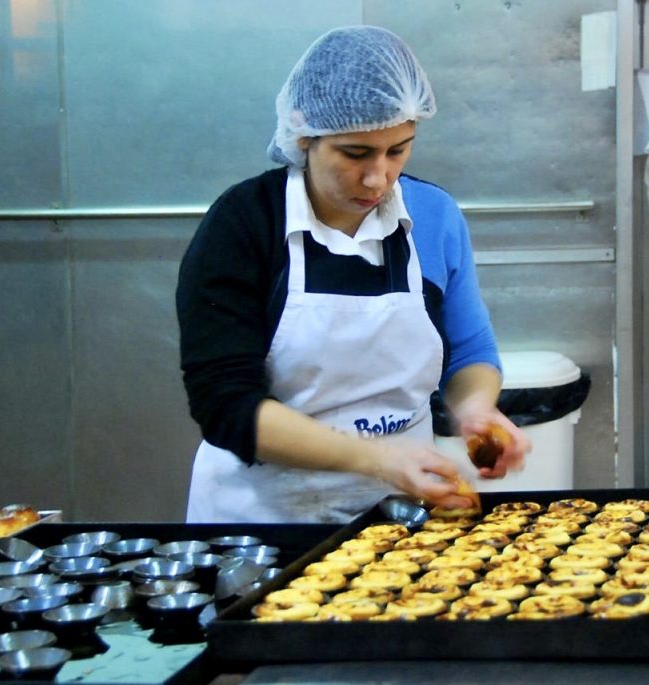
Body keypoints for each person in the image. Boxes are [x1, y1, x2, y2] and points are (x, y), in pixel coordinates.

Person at [176, 26, 530, 523]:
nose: (378, 177)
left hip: (403, 517)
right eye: (355, 153)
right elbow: (225, 405)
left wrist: (476, 410)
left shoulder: (434, 215)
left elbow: (469, 351)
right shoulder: (245, 224)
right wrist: (378, 458)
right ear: (303, 134)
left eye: (398, 150)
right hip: (264, 523)